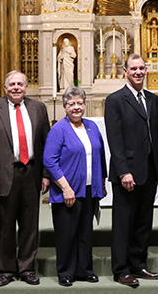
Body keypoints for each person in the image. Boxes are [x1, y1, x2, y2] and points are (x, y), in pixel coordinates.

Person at [0, 70, 50, 287]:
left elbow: (46, 143)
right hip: (3, 175)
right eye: (12, 84)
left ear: (26, 87)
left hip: (31, 172)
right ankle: (6, 269)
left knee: (30, 225)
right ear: (5, 88)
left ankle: (27, 268)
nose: (16, 87)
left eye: (20, 84)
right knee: (6, 224)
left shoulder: (38, 108)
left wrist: (46, 175)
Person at [105, 54, 158, 287]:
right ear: (125, 71)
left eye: (142, 68)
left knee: (143, 221)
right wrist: (123, 172)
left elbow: (156, 135)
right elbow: (115, 140)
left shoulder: (152, 98)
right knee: (123, 223)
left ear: (146, 70)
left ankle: (139, 264)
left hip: (149, 170)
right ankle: (121, 269)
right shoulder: (115, 100)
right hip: (127, 172)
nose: (138, 72)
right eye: (134, 69)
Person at [44, 87, 107, 287]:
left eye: (80, 103)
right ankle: (66, 272)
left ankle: (85, 270)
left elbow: (101, 155)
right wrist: (65, 188)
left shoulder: (92, 126)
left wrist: (101, 183)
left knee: (85, 232)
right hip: (68, 191)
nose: (76, 107)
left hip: (89, 189)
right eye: (71, 104)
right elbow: (49, 161)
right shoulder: (59, 129)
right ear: (64, 107)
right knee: (67, 233)